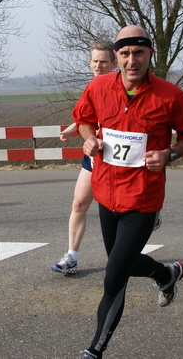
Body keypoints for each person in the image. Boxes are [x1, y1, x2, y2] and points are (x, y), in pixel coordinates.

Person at [74, 25, 183, 359]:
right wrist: (88, 138)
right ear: (116, 56)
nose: (132, 61)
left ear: (149, 54)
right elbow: (84, 119)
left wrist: (169, 154)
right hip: (106, 194)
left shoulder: (170, 95)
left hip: (143, 201)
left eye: (139, 53)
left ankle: (94, 351)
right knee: (124, 263)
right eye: (125, 53)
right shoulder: (99, 86)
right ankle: (166, 273)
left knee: (114, 276)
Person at [51, 39, 117, 275]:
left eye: (103, 62)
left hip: (120, 160)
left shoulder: (122, 86)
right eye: (95, 61)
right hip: (94, 157)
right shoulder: (92, 86)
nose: (98, 66)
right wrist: (74, 127)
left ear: (114, 62)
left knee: (122, 210)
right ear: (90, 62)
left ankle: (149, 216)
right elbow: (87, 116)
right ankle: (71, 257)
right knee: (78, 203)